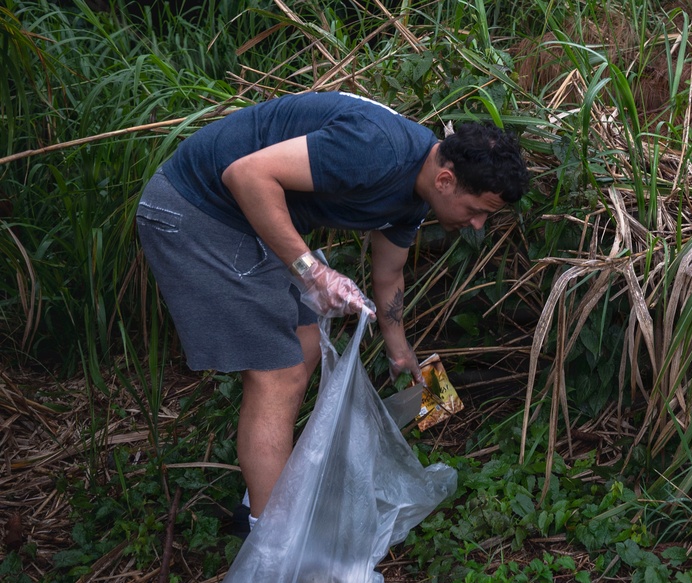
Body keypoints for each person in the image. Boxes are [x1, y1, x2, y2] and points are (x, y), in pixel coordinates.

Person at [135, 91, 529, 530]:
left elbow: (389, 276)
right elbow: (246, 175)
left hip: (248, 221)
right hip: (195, 210)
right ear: (446, 181)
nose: (477, 225)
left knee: (304, 347)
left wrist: (399, 351)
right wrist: (314, 274)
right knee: (276, 375)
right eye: (477, 212)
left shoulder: (417, 195)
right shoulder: (376, 150)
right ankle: (274, 549)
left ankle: (260, 497)